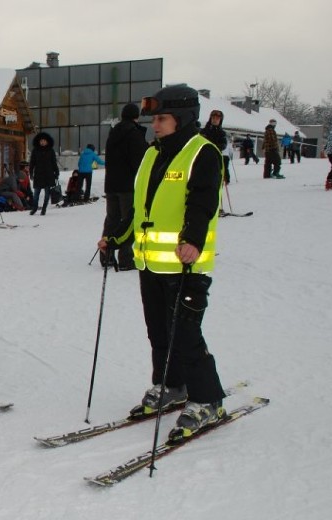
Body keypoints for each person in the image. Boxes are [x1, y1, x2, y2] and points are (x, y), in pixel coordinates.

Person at [98, 84, 226, 441]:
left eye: (162, 119)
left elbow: (202, 203)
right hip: (151, 265)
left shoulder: (203, 153)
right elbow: (140, 209)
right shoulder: (152, 155)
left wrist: (193, 240)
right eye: (154, 119)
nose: (155, 125)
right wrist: (116, 236)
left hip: (185, 264)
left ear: (182, 119)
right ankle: (172, 385)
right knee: (159, 332)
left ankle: (208, 399)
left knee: (186, 335)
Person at [100, 102, 148, 270]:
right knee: (128, 220)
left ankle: (106, 255)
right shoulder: (134, 134)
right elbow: (141, 161)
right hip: (128, 185)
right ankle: (126, 259)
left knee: (112, 219)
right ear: (136, 116)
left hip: (111, 184)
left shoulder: (113, 133)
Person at [28, 132, 61, 215]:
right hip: (38, 175)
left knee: (47, 195)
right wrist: (31, 173)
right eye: (41, 141)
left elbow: (54, 162)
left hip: (48, 175)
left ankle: (44, 209)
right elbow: (32, 163)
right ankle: (34, 208)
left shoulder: (51, 151)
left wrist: (57, 172)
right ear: (39, 142)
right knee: (36, 194)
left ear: (47, 142)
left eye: (44, 141)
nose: (42, 142)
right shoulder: (35, 151)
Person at [200, 109, 229, 185]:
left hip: (215, 158)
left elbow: (223, 145)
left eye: (217, 119)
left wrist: (214, 147)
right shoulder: (203, 131)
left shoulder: (221, 133)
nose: (215, 120)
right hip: (202, 158)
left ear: (220, 120)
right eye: (213, 118)